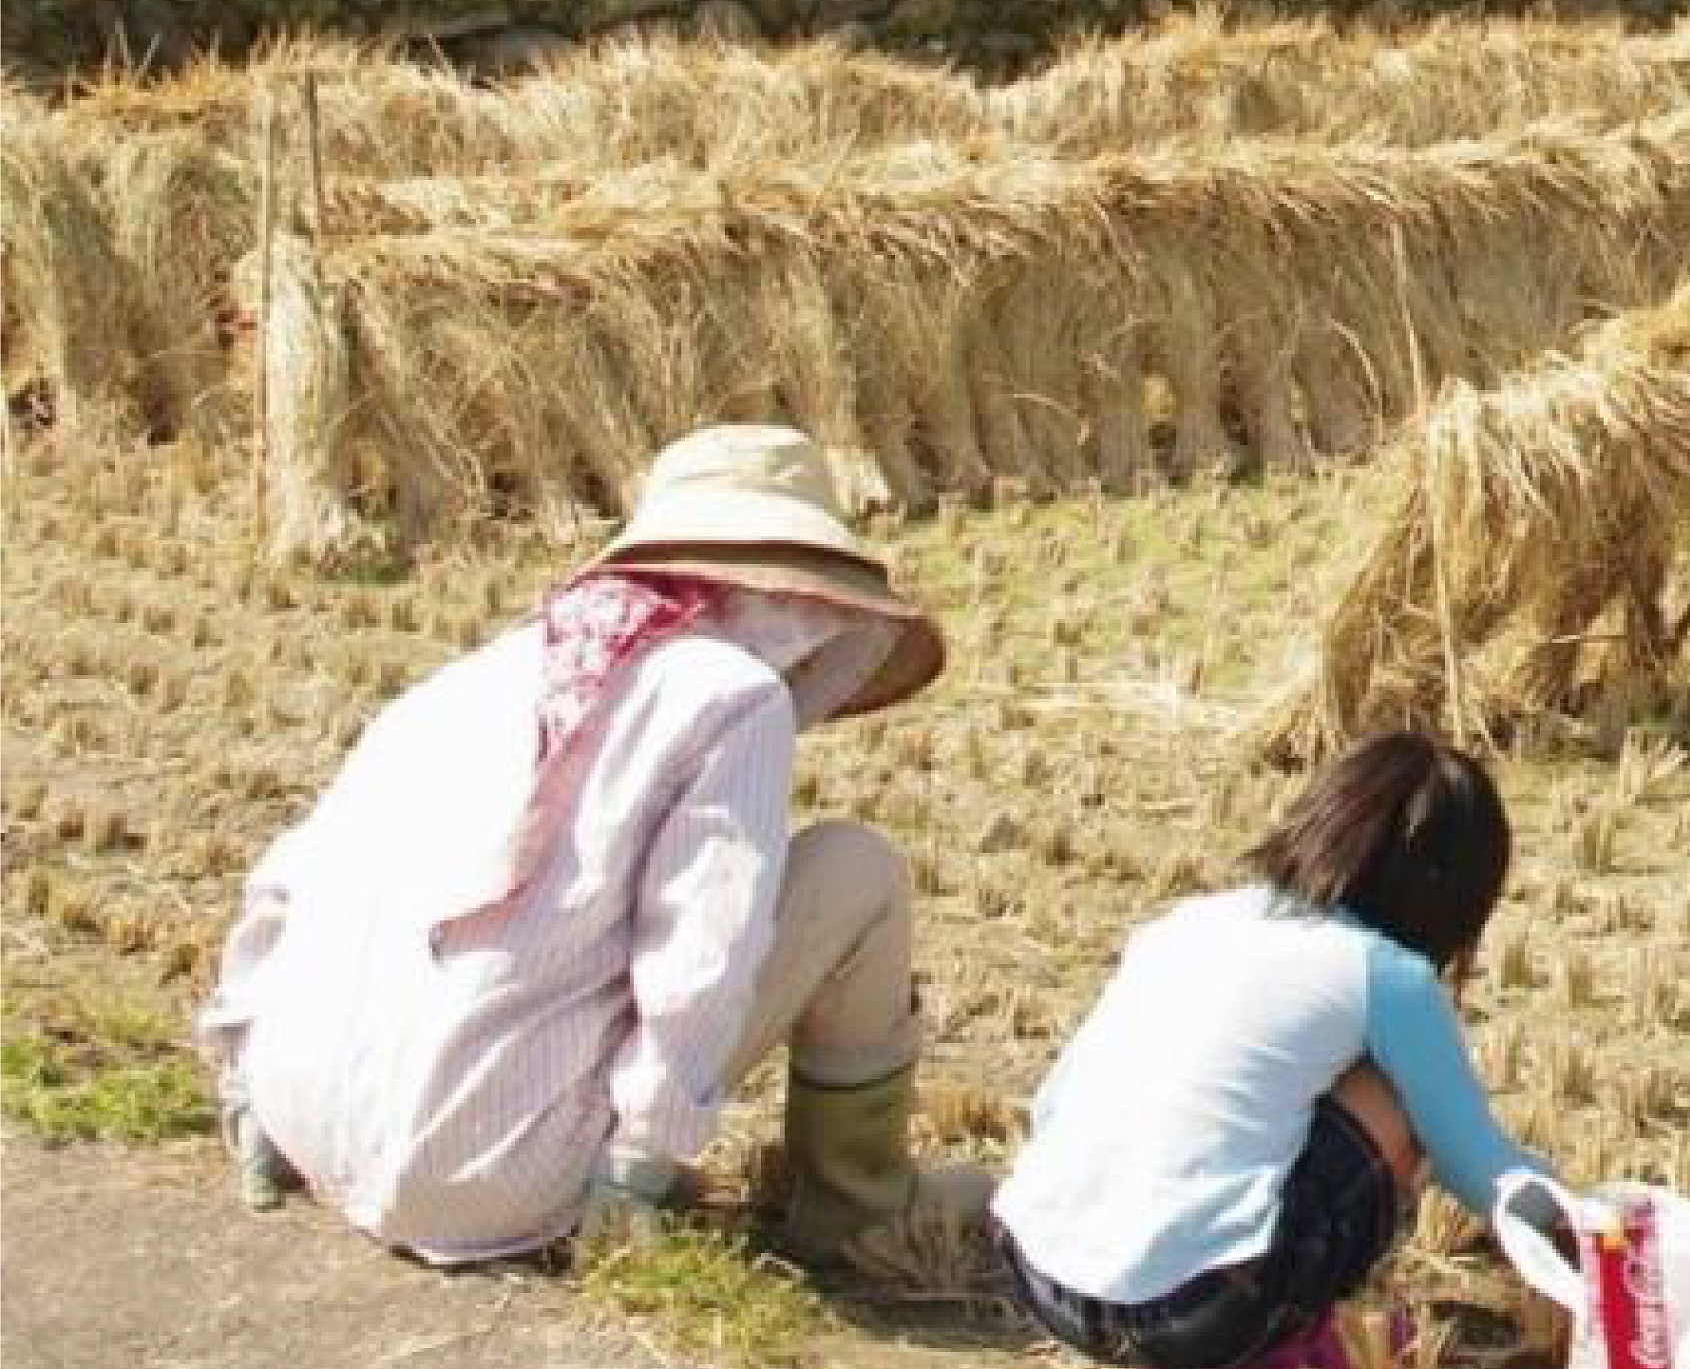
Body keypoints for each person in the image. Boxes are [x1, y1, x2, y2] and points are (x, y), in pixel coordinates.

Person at [196, 424, 982, 1275]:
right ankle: (857, 1209)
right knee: (853, 871)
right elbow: (699, 954)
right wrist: (636, 1171)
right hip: (483, 1175)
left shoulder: (477, 674)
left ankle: (302, 1106)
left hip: (300, 1115)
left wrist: (247, 1075)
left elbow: (285, 882)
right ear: (799, 595)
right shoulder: (729, 694)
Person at [992, 732, 1555, 1369]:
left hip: (1042, 1273)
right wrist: (1596, 1227)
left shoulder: (1187, 922)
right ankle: (1295, 1347)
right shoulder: (1385, 972)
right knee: (1394, 1095)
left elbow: (1050, 1108)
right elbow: (1484, 1173)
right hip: (1196, 1314)